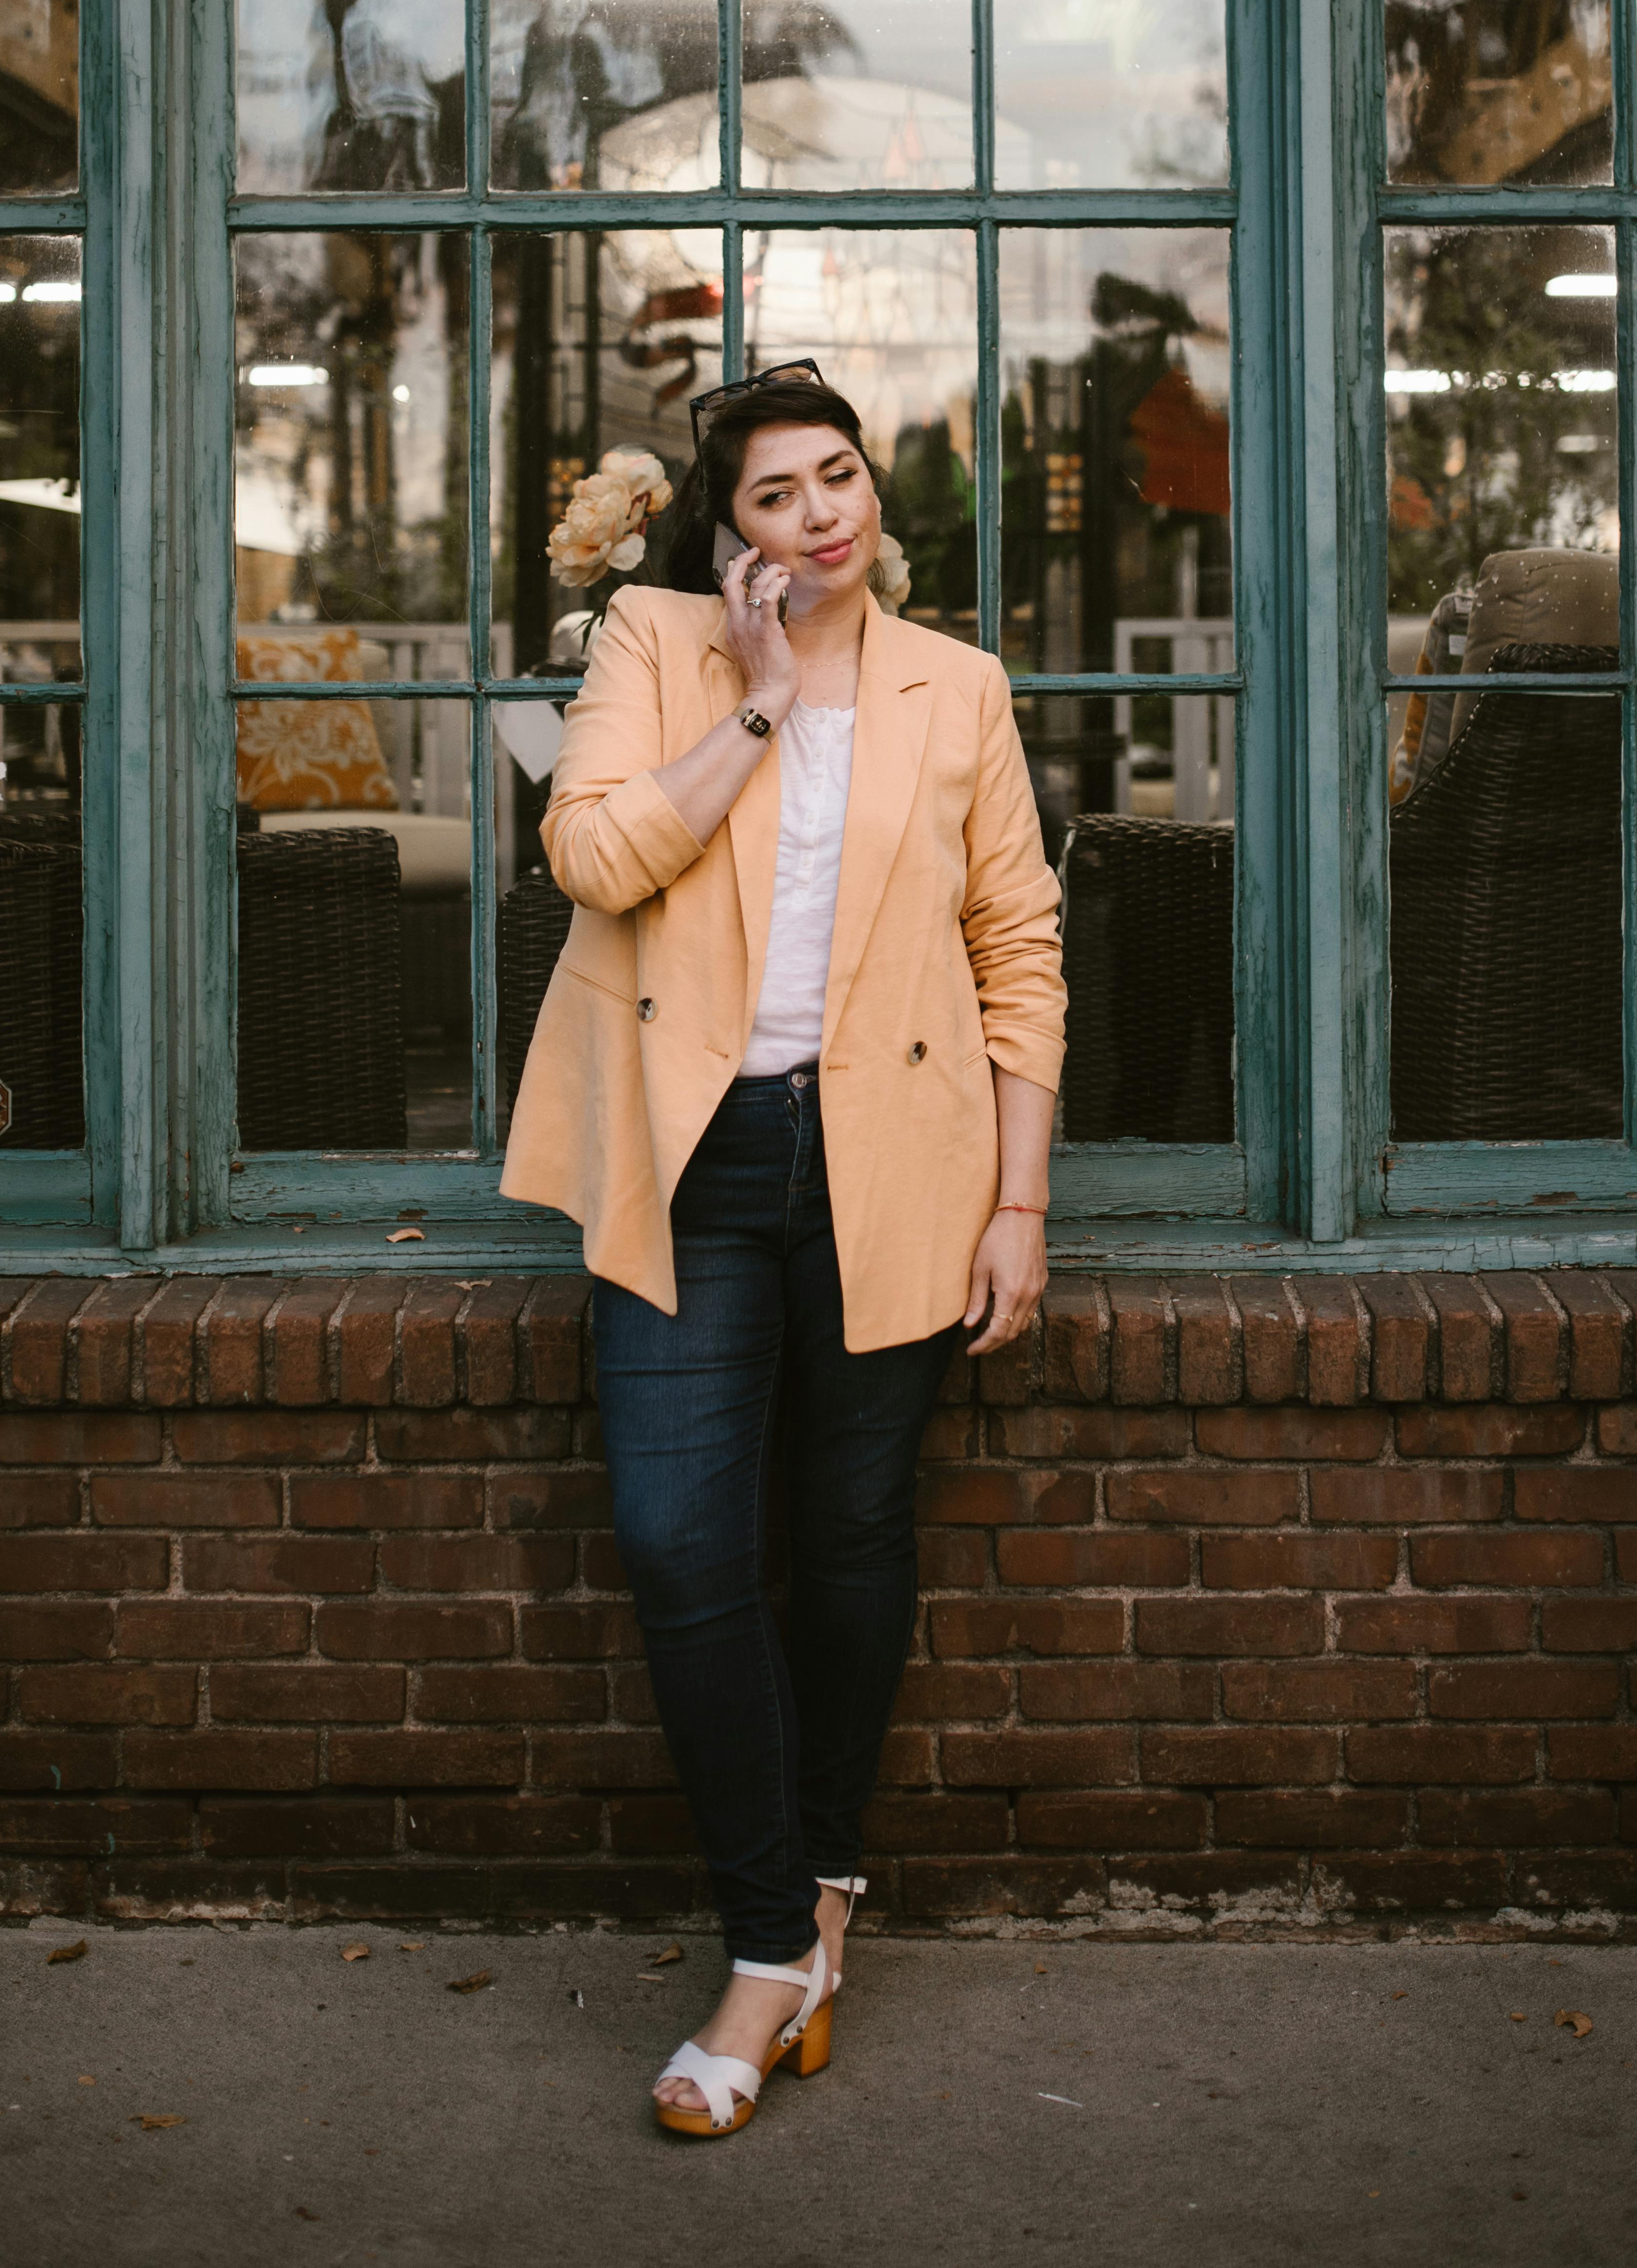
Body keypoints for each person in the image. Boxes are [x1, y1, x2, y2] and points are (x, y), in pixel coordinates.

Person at [502, 363, 1065, 2136]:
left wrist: (1019, 1201)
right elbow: (588, 854)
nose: (820, 517)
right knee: (681, 1541)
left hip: (893, 1160)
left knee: (845, 1536)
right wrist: (750, 707)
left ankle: (810, 1905)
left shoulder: (953, 684)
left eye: (838, 480)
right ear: (722, 528)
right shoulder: (655, 647)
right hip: (691, 1166)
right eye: (774, 496)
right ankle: (770, 1932)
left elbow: (1017, 947)